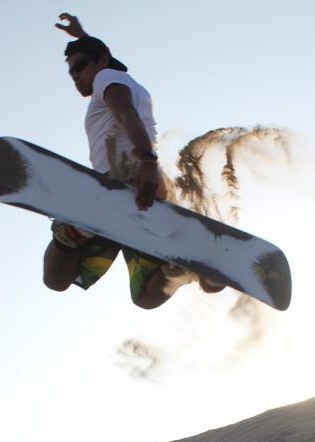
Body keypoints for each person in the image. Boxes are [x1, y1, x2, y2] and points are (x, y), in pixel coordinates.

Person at [44, 13, 223, 309]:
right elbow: (110, 64)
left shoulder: (105, 79)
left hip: (120, 184)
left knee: (55, 277)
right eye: (71, 71)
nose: (75, 75)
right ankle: (190, 266)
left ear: (102, 60)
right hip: (145, 199)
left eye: (79, 67)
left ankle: (75, 231)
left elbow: (126, 113)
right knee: (145, 297)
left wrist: (147, 162)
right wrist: (82, 37)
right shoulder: (120, 79)